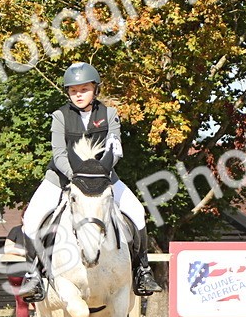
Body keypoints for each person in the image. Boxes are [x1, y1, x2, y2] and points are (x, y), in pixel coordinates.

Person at [11, 62, 163, 301]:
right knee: (31, 218)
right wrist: (77, 177)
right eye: (73, 90)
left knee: (136, 210)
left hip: (103, 177)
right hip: (61, 178)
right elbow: (59, 153)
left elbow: (115, 149)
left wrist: (99, 174)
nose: (79, 94)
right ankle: (34, 275)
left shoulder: (109, 114)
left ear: (95, 89)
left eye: (84, 89)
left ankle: (142, 270)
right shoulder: (60, 116)